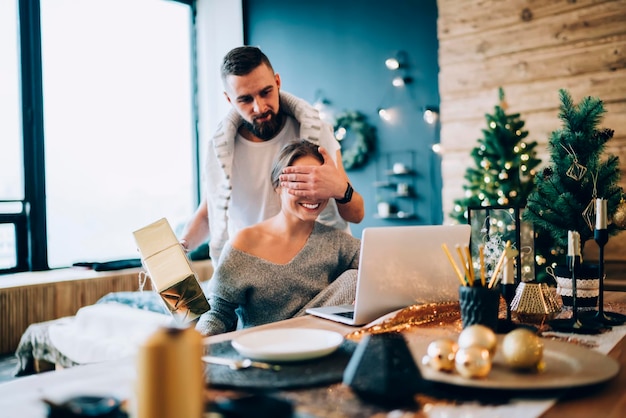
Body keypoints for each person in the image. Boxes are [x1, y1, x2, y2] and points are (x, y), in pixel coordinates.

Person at [180, 46, 364, 263]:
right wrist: (179, 249)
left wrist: (340, 189)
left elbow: (356, 214)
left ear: (277, 82)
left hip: (321, 265)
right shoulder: (218, 150)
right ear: (229, 99)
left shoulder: (317, 132)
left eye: (265, 92)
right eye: (245, 99)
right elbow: (209, 212)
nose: (259, 107)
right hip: (255, 269)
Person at [195, 140, 361, 336]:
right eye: (299, 183)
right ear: (278, 186)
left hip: (320, 348)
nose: (311, 194)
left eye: (318, 184)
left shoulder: (337, 242)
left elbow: (383, 272)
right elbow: (218, 312)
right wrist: (198, 343)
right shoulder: (245, 244)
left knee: (356, 278)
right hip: (261, 351)